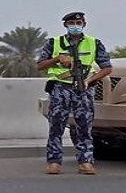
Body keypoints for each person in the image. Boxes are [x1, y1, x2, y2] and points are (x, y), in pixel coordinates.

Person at [37, 11, 112, 175]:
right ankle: (54, 162)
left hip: (83, 89)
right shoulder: (54, 43)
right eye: (72, 23)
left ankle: (85, 161)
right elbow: (40, 65)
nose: (75, 26)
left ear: (84, 24)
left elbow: (107, 68)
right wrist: (58, 59)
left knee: (84, 127)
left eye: (78, 23)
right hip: (60, 88)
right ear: (65, 25)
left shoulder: (94, 43)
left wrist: (89, 80)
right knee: (56, 126)